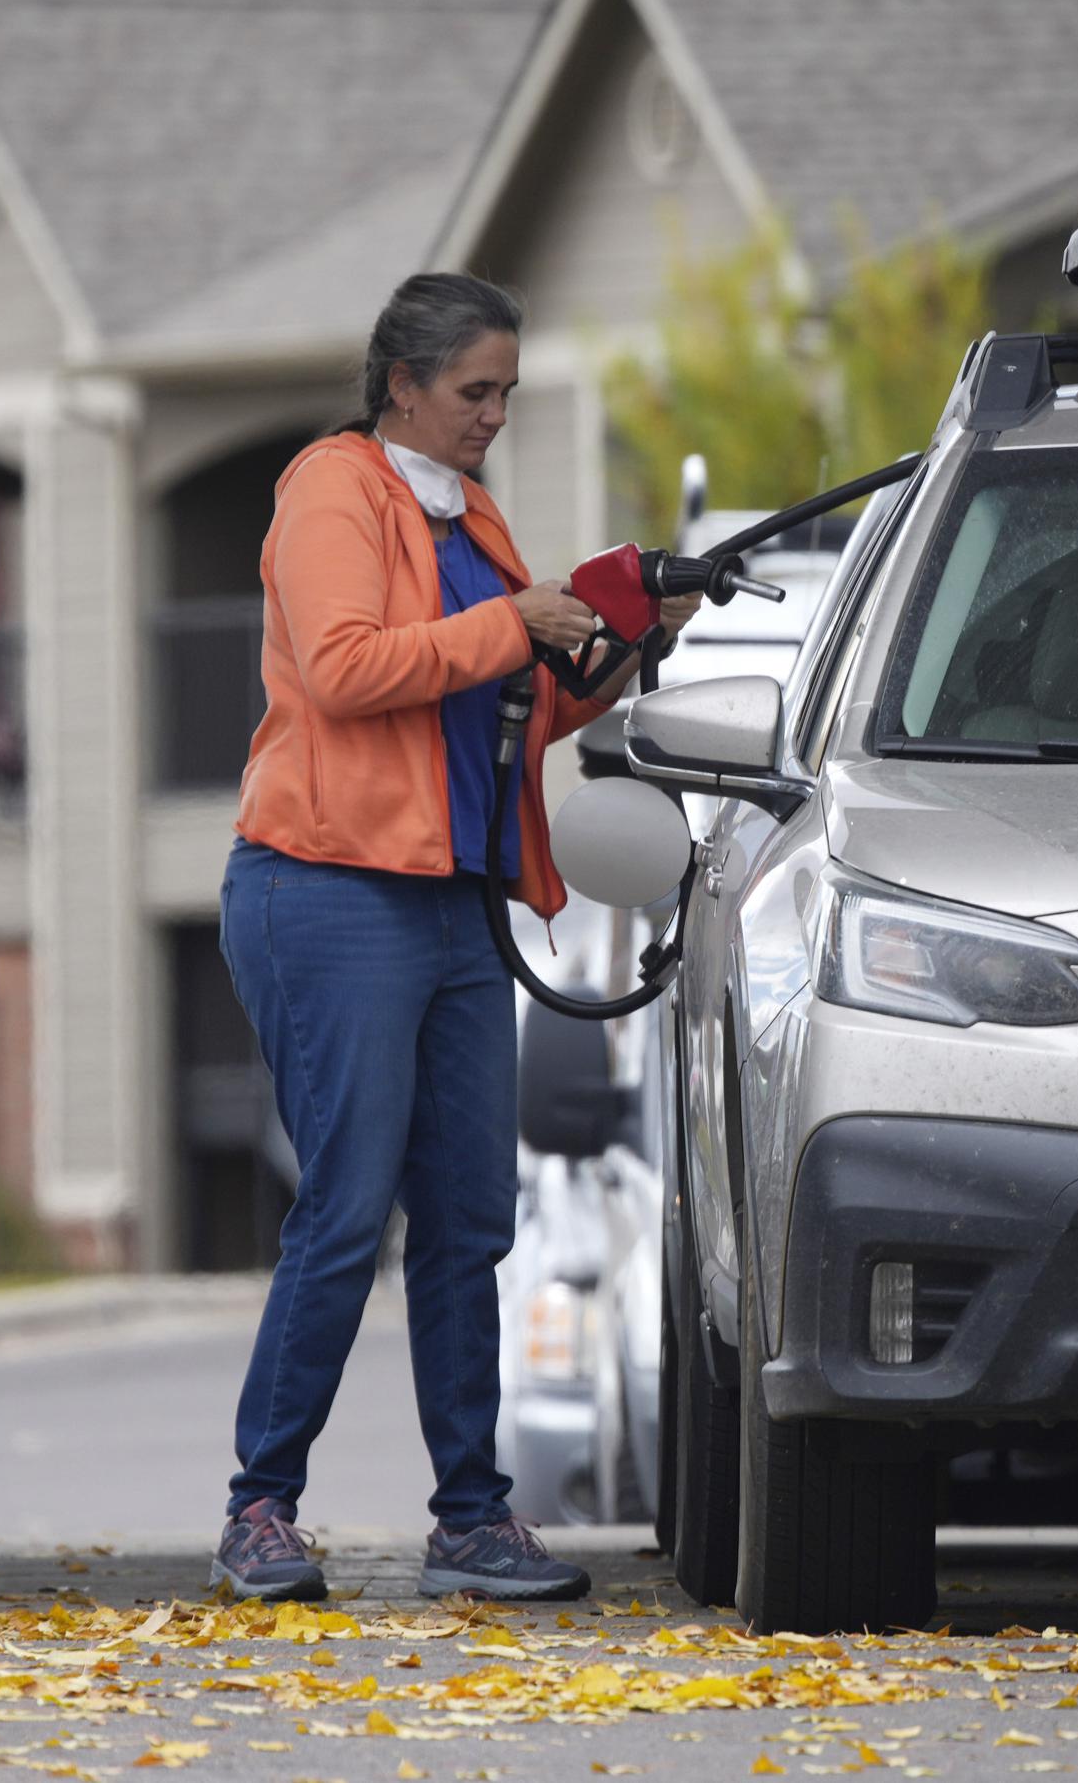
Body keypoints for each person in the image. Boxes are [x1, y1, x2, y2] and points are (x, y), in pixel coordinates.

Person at [209, 273, 695, 1604]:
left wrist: (629, 636)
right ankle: (261, 1506)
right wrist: (514, 622)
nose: (493, 415)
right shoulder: (332, 485)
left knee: (474, 1215)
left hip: (452, 897)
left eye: (506, 394)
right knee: (351, 1202)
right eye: (474, 390)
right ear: (402, 384)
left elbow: (511, 710)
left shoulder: (467, 511)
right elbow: (348, 665)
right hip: (327, 888)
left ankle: (471, 1519)